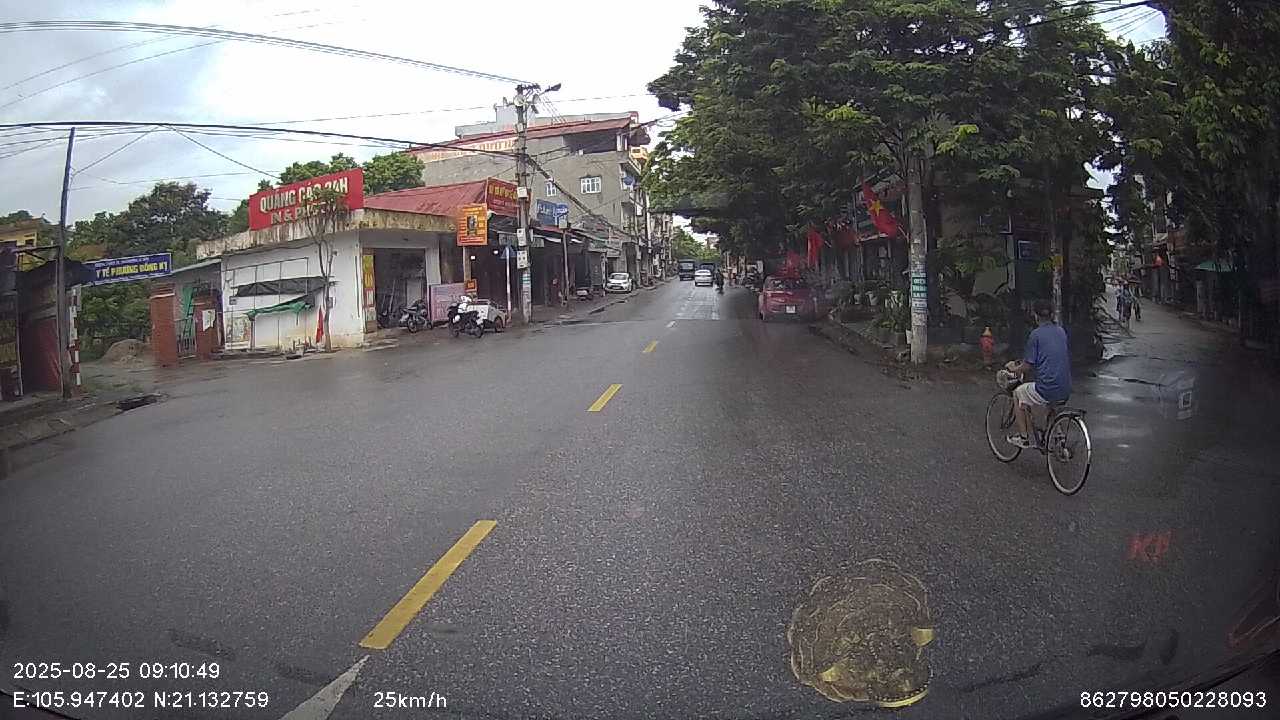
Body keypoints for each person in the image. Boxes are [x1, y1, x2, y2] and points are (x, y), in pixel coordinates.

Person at [1005, 300, 1072, 449]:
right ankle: (1059, 437)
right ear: (1052, 315)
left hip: (1047, 388)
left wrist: (1013, 369)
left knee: (1018, 393)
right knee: (1051, 403)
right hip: (1066, 387)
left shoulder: (1035, 335)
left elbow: (1027, 365)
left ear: (1035, 315)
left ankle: (1023, 437)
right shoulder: (1061, 331)